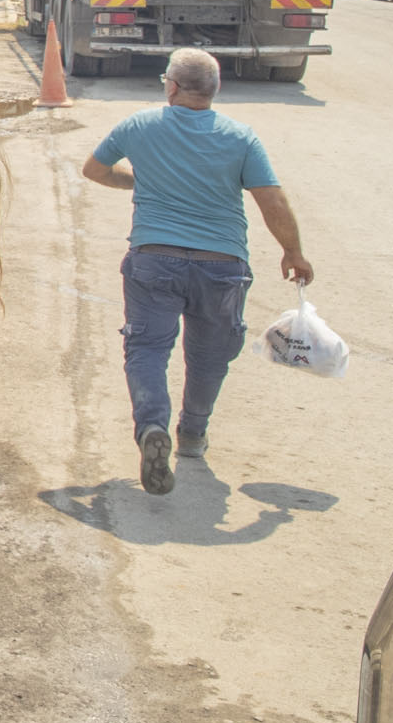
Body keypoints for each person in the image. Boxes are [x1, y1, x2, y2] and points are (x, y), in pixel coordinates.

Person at [80, 46, 312, 495]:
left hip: (153, 258)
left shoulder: (139, 125)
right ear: (214, 90)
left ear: (171, 86)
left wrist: (138, 180)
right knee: (209, 356)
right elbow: (272, 200)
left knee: (147, 348)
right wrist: (293, 253)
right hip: (222, 265)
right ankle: (192, 434)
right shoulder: (241, 137)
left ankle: (152, 427)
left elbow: (95, 170)